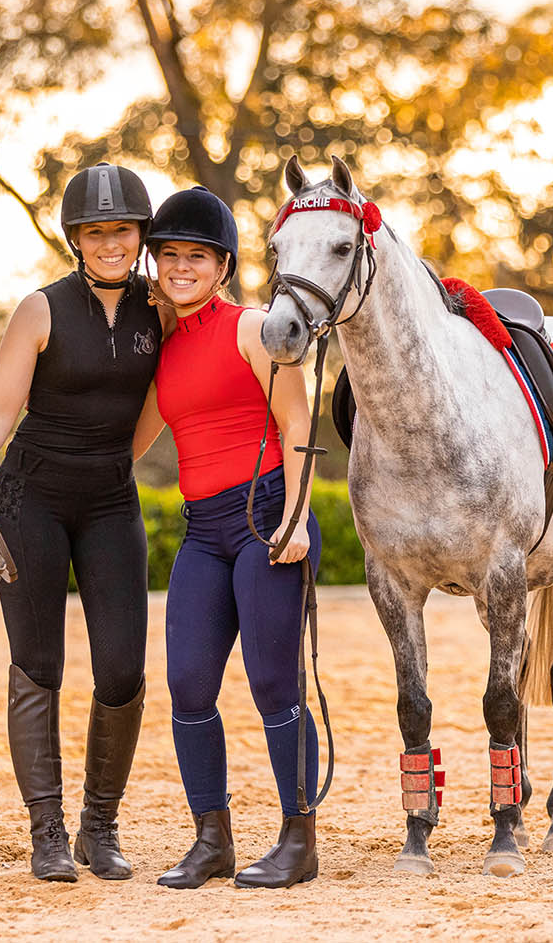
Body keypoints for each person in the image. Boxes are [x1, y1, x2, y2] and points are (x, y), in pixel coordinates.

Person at [0, 163, 162, 882]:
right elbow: (2, 408)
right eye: (96, 232)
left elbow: (157, 410)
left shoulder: (156, 310)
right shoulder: (40, 310)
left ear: (139, 236)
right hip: (29, 498)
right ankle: (46, 830)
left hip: (110, 501)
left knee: (124, 669)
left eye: (122, 230)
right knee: (40, 666)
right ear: (76, 238)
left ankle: (99, 827)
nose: (110, 243)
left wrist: (110, 465)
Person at [132, 186, 323, 890]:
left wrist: (298, 518)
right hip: (202, 531)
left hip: (266, 514)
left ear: (223, 264)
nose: (182, 267)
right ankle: (211, 837)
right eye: (171, 254)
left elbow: (298, 425)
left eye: (198, 256)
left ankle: (299, 839)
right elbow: (129, 441)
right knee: (187, 683)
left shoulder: (254, 327)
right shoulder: (163, 348)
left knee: (275, 682)